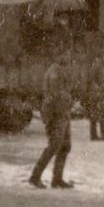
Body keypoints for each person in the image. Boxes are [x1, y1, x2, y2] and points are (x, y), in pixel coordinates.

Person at [29, 47, 75, 189]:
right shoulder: (54, 73)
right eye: (66, 54)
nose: (68, 56)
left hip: (63, 113)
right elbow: (55, 97)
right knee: (54, 145)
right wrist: (50, 118)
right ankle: (35, 176)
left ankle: (57, 179)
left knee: (65, 146)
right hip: (57, 115)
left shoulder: (61, 70)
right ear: (59, 56)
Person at [86, 51, 104, 141]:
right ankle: (102, 134)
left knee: (97, 114)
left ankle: (96, 134)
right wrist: (99, 90)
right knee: (101, 113)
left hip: (96, 93)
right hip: (97, 93)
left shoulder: (98, 65)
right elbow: (95, 81)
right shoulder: (98, 66)